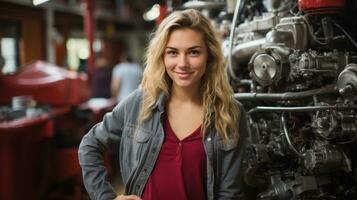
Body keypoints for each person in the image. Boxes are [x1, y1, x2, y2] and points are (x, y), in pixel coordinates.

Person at [78, 9, 250, 200]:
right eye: (173, 53)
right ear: (162, 56)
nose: (182, 63)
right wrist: (106, 197)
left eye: (193, 52)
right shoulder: (139, 103)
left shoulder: (230, 113)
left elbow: (230, 193)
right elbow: (90, 144)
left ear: (209, 56)